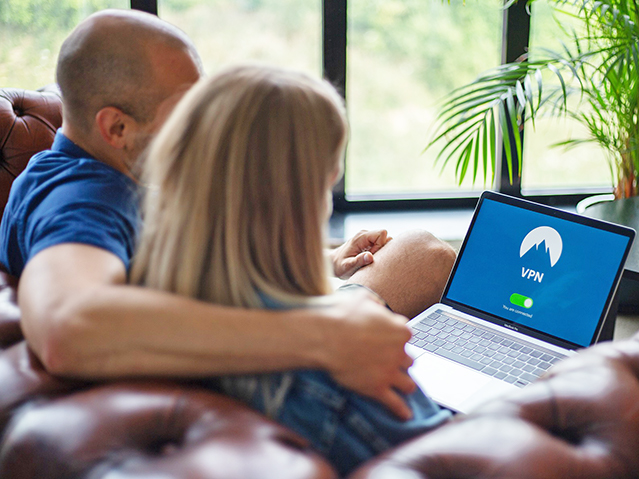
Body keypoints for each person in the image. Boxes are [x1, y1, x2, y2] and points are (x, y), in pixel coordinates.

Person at [0, 9, 456, 421]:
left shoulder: (112, 173)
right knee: (423, 257)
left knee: (421, 252)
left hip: (263, 331)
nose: (206, 125)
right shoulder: (76, 203)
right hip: (272, 371)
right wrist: (322, 333)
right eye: (188, 111)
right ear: (116, 127)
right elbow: (67, 328)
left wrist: (328, 261)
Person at [130, 64, 452, 475]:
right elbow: (447, 457)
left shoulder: (145, 296)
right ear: (316, 184)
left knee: (421, 251)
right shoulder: (340, 358)